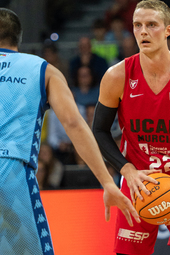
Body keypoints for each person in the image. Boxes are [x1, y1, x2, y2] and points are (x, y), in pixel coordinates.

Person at [0, 8, 140, 255]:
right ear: (18, 39)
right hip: (11, 173)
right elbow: (74, 124)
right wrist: (107, 182)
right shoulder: (43, 70)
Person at [92, 1, 170, 255]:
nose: (143, 32)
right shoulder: (117, 76)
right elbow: (99, 131)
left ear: (168, 29)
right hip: (138, 181)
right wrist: (126, 169)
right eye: (137, 25)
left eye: (151, 25)